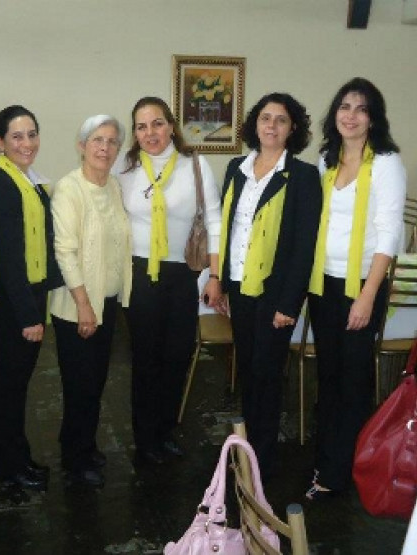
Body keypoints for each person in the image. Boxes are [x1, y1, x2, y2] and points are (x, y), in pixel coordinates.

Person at [306, 77, 406, 500]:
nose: (351, 115)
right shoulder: (326, 161)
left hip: (360, 286)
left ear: (373, 118)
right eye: (345, 106)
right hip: (322, 284)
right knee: (328, 375)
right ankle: (327, 453)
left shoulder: (386, 163)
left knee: (352, 380)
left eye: (361, 108)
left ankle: (340, 470)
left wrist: (367, 296)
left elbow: (389, 234)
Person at [218, 92, 322, 473]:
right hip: (240, 288)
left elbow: (303, 246)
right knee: (247, 368)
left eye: (281, 120)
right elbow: (228, 229)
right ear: (255, 124)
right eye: (266, 118)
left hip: (275, 293)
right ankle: (248, 444)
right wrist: (224, 283)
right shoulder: (236, 168)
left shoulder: (304, 176)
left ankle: (262, 453)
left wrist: (288, 304)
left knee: (267, 371)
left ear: (292, 128)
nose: (272, 126)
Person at [117, 97, 222, 464]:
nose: (150, 133)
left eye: (157, 123)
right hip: (140, 274)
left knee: (177, 356)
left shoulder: (195, 166)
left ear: (172, 126)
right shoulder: (125, 168)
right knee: (146, 359)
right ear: (135, 133)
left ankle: (165, 430)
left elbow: (214, 219)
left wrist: (215, 276)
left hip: (183, 275)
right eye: (142, 126)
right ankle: (145, 437)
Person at [49, 115, 133, 488]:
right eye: (97, 140)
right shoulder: (69, 189)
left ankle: (81, 443)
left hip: (108, 301)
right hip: (77, 306)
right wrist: (84, 305)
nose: (105, 148)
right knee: (80, 384)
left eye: (113, 142)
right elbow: (65, 252)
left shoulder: (113, 186)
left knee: (96, 381)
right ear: (82, 145)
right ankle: (75, 459)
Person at [0, 105, 62, 492]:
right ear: (0, 142)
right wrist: (29, 316)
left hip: (27, 296)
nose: (27, 143)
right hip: (14, 302)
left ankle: (19, 458)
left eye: (32, 134)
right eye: (17, 136)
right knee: (8, 387)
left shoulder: (24, 179)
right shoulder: (1, 186)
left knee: (17, 386)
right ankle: (9, 470)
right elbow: (8, 259)